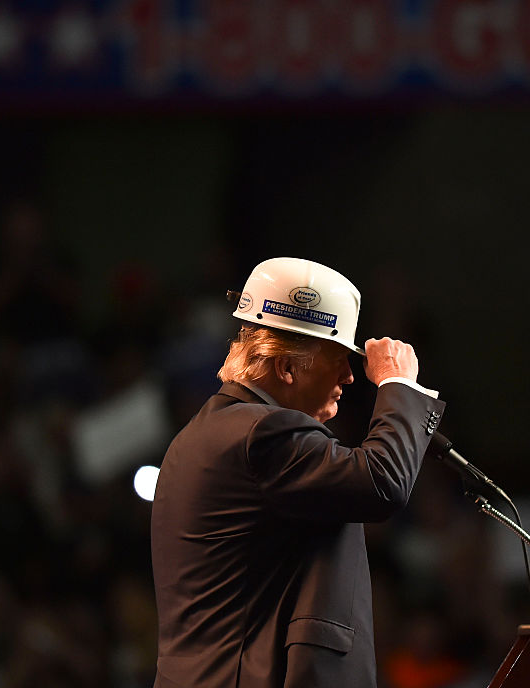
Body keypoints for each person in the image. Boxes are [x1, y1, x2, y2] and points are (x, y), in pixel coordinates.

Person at [150, 257, 446, 688]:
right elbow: (382, 483)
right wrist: (398, 387)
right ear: (286, 367)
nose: (349, 376)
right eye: (339, 358)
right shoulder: (263, 431)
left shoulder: (200, 436)